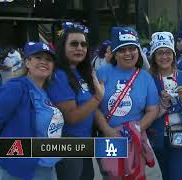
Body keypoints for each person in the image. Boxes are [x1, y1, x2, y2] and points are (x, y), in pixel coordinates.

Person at [0, 42, 64, 180]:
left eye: (49, 59)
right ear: (27, 62)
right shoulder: (15, 89)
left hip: (47, 168)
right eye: (38, 57)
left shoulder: (48, 90)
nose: (44, 62)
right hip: (21, 171)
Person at [95, 27, 159, 179]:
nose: (128, 53)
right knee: (111, 175)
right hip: (108, 137)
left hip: (136, 138)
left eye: (132, 49)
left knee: (135, 175)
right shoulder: (102, 73)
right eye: (122, 50)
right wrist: (107, 130)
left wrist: (136, 129)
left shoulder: (145, 77)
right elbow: (94, 107)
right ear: (115, 53)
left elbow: (153, 109)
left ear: (138, 51)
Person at [46, 22, 104, 180]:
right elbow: (71, 117)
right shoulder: (59, 75)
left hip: (85, 143)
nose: (80, 48)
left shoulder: (81, 72)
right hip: (68, 144)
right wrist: (98, 97)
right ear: (62, 47)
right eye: (74, 44)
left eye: (84, 44)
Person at [147, 31, 182, 180]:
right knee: (167, 176)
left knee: (177, 176)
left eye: (168, 52)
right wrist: (162, 105)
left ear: (173, 55)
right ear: (153, 56)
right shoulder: (147, 80)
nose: (164, 57)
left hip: (181, 135)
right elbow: (143, 112)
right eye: (159, 53)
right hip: (157, 136)